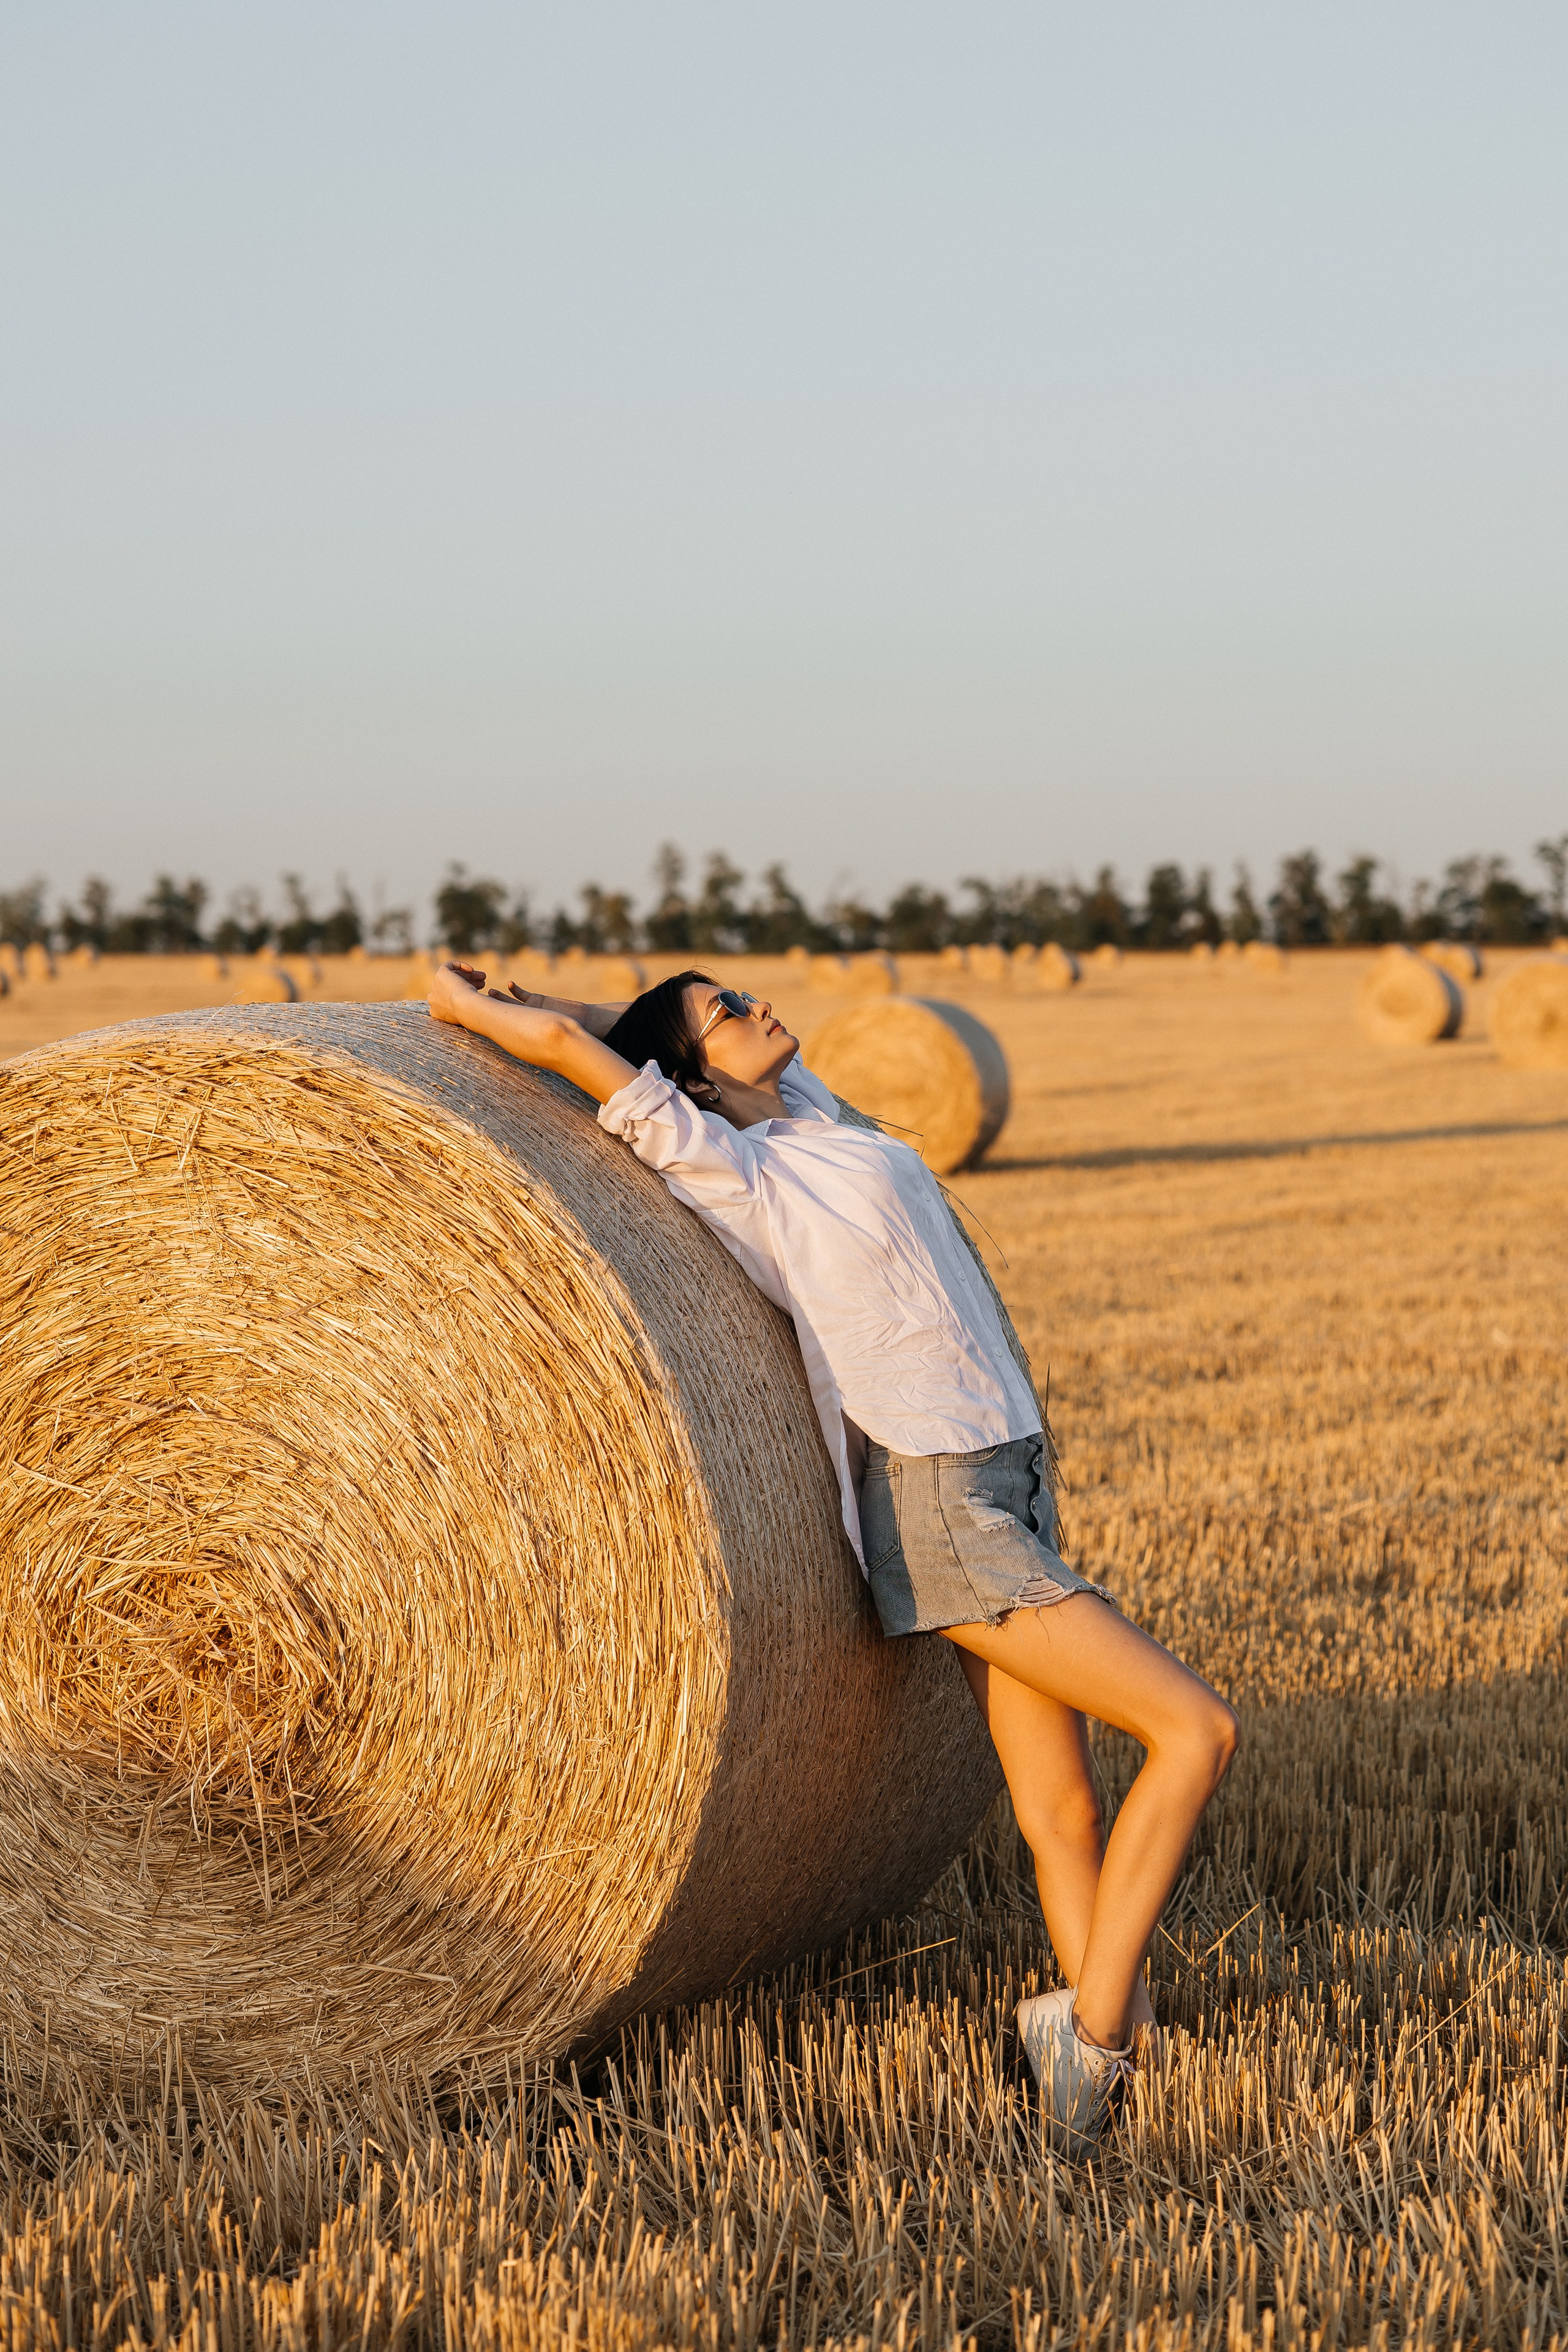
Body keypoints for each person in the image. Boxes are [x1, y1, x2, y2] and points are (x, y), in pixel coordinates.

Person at [427, 959, 1239, 2153]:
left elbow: (686, 1039)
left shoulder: (815, 1117)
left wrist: (641, 1009)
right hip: (939, 1497)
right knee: (1195, 1731)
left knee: (1059, 1809)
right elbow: (580, 1052)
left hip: (1006, 1470)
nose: (758, 1008)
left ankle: (1088, 2113)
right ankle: (1098, 2034)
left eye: (744, 993)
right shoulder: (733, 1169)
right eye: (723, 1013)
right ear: (692, 1072)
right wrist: (474, 1011)